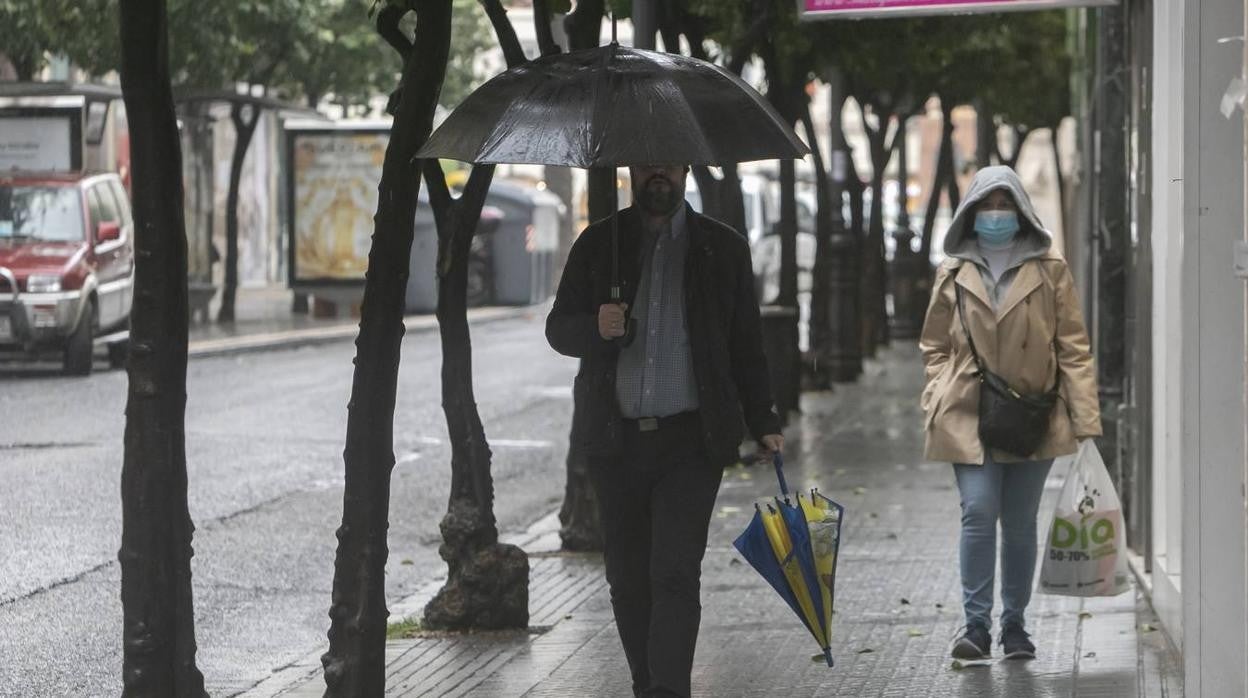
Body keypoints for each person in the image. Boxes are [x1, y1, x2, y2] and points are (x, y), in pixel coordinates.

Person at [546, 164, 784, 697]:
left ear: (685, 168)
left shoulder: (721, 248)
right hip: (616, 442)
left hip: (690, 444)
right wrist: (595, 327)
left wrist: (764, 420)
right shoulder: (599, 244)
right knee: (627, 580)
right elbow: (558, 329)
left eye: (670, 161)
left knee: (675, 573)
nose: (659, 172)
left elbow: (746, 343)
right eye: (648, 161)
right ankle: (646, 686)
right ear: (633, 168)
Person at [919, 166, 1101, 661]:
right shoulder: (953, 271)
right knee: (978, 511)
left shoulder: (1049, 268)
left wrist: (1085, 418)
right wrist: (938, 391)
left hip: (1032, 412)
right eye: (988, 205)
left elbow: (1073, 347)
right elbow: (934, 344)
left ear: (1020, 211)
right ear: (972, 211)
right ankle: (975, 626)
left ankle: (1014, 625)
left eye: (1004, 205)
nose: (996, 214)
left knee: (1019, 522)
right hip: (967, 410)